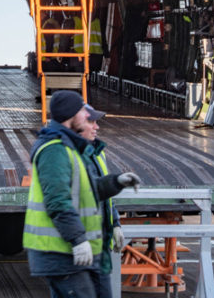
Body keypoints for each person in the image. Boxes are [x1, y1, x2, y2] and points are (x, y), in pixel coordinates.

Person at [23, 90, 141, 298]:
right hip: (61, 254)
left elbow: (86, 192)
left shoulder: (72, 148)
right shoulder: (54, 150)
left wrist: (115, 183)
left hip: (81, 253)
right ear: (71, 116)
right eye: (82, 112)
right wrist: (78, 240)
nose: (89, 118)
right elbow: (58, 202)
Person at [77, 104, 126, 298]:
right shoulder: (69, 157)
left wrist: (115, 223)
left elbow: (105, 197)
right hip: (80, 250)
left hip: (98, 247)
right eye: (91, 122)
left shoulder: (97, 153)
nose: (97, 127)